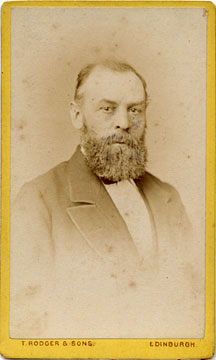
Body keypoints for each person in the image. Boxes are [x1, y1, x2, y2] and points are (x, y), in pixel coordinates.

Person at [10, 60, 204, 339]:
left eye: (135, 110)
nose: (124, 123)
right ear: (77, 115)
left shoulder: (167, 197)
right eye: (107, 109)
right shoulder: (38, 200)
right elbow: (30, 321)